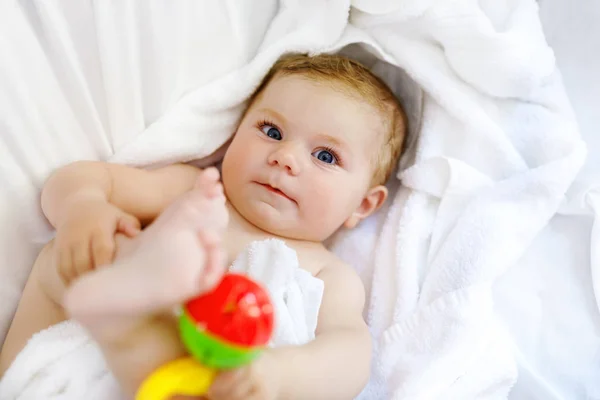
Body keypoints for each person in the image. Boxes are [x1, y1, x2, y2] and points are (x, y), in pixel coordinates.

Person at [0, 53, 406, 399]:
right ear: (233, 135)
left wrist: (278, 375)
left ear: (364, 205)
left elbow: (351, 355)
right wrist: (82, 207)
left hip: (221, 382)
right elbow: (86, 178)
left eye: (325, 156)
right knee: (71, 255)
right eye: (271, 131)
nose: (285, 157)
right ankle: (128, 311)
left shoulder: (328, 273)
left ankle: (132, 319)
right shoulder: (196, 193)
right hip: (85, 367)